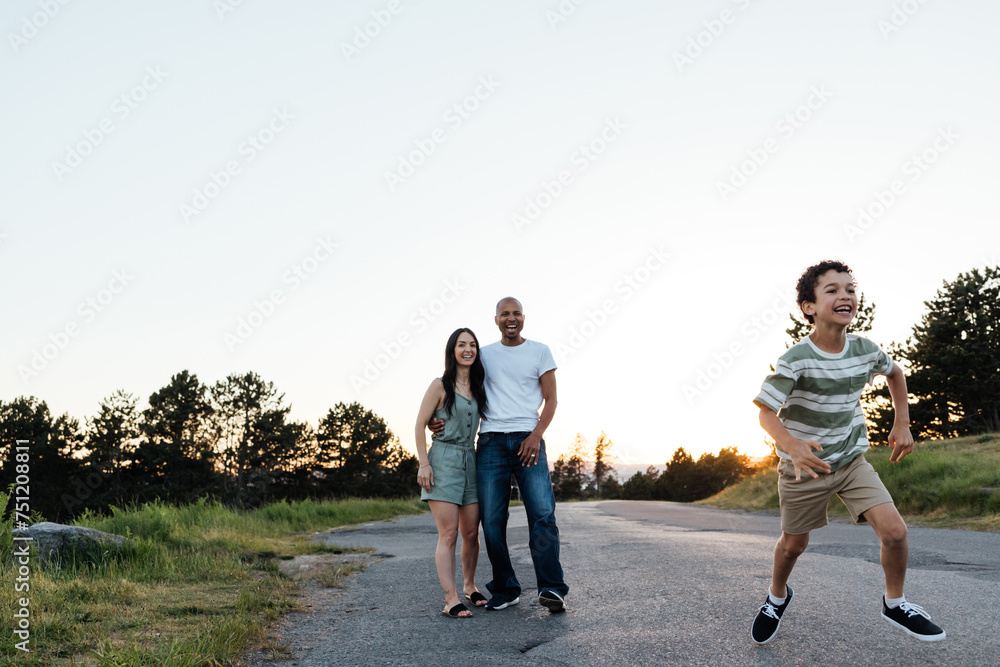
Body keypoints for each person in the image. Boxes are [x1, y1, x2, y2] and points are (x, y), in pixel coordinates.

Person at [750, 260, 945, 644]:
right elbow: (765, 413)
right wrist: (792, 445)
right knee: (793, 546)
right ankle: (777, 597)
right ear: (809, 306)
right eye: (833, 290)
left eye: (850, 289)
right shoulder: (796, 359)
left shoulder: (864, 350)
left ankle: (895, 603)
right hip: (803, 467)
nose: (845, 296)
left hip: (851, 461)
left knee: (895, 532)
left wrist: (902, 422)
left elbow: (895, 373)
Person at [435, 297, 568, 613]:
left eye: (516, 313)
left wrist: (536, 435)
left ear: (523, 318)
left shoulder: (540, 351)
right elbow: (456, 386)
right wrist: (434, 418)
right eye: (505, 314)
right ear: (496, 320)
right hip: (491, 442)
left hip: (528, 440)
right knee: (492, 520)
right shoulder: (484, 355)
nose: (511, 318)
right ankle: (506, 588)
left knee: (542, 514)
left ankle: (552, 588)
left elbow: (551, 400)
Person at [415, 328, 489, 618]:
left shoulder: (479, 386)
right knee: (448, 534)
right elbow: (419, 424)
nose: (467, 349)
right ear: (452, 350)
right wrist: (424, 464)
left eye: (472, 345)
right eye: (461, 344)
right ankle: (450, 599)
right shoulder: (439, 385)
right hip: (443, 460)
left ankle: (470, 586)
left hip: (471, 460)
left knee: (471, 532)